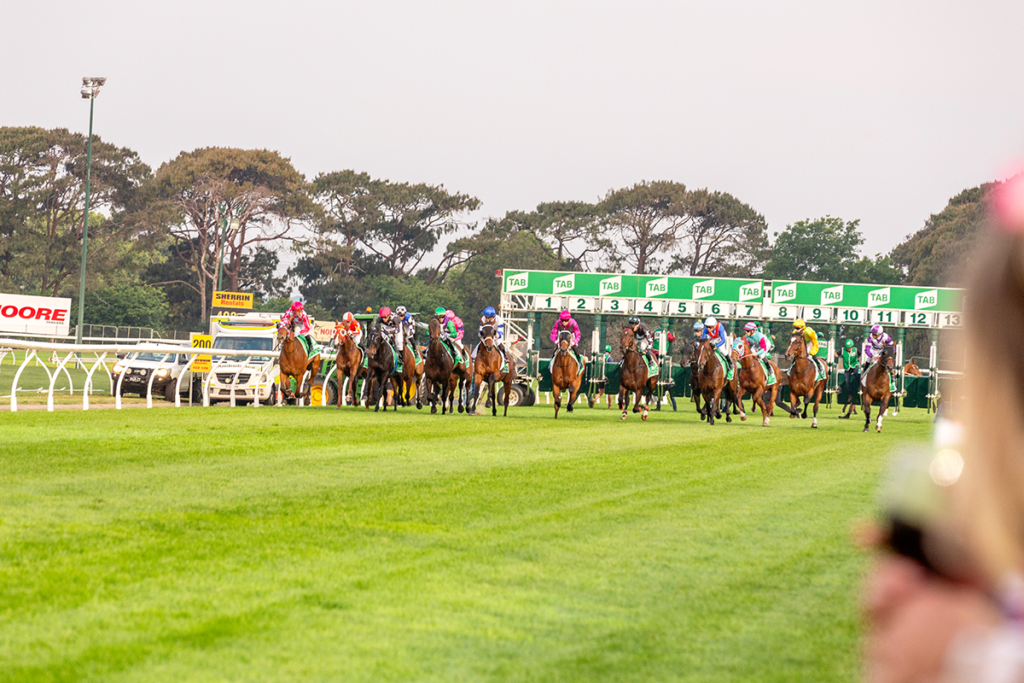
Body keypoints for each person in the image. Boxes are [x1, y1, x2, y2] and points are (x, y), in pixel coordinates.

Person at [862, 182, 1024, 682]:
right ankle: (858, 405)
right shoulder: (874, 337)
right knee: (856, 376)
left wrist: (947, 654)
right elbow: (870, 354)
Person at [839, 338, 859, 417]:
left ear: (852, 346)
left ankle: (859, 387)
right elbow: (836, 354)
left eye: (849, 347)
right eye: (847, 347)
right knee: (847, 381)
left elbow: (862, 355)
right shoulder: (842, 350)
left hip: (855, 366)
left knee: (857, 373)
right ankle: (849, 394)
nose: (848, 349)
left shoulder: (856, 350)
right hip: (847, 368)